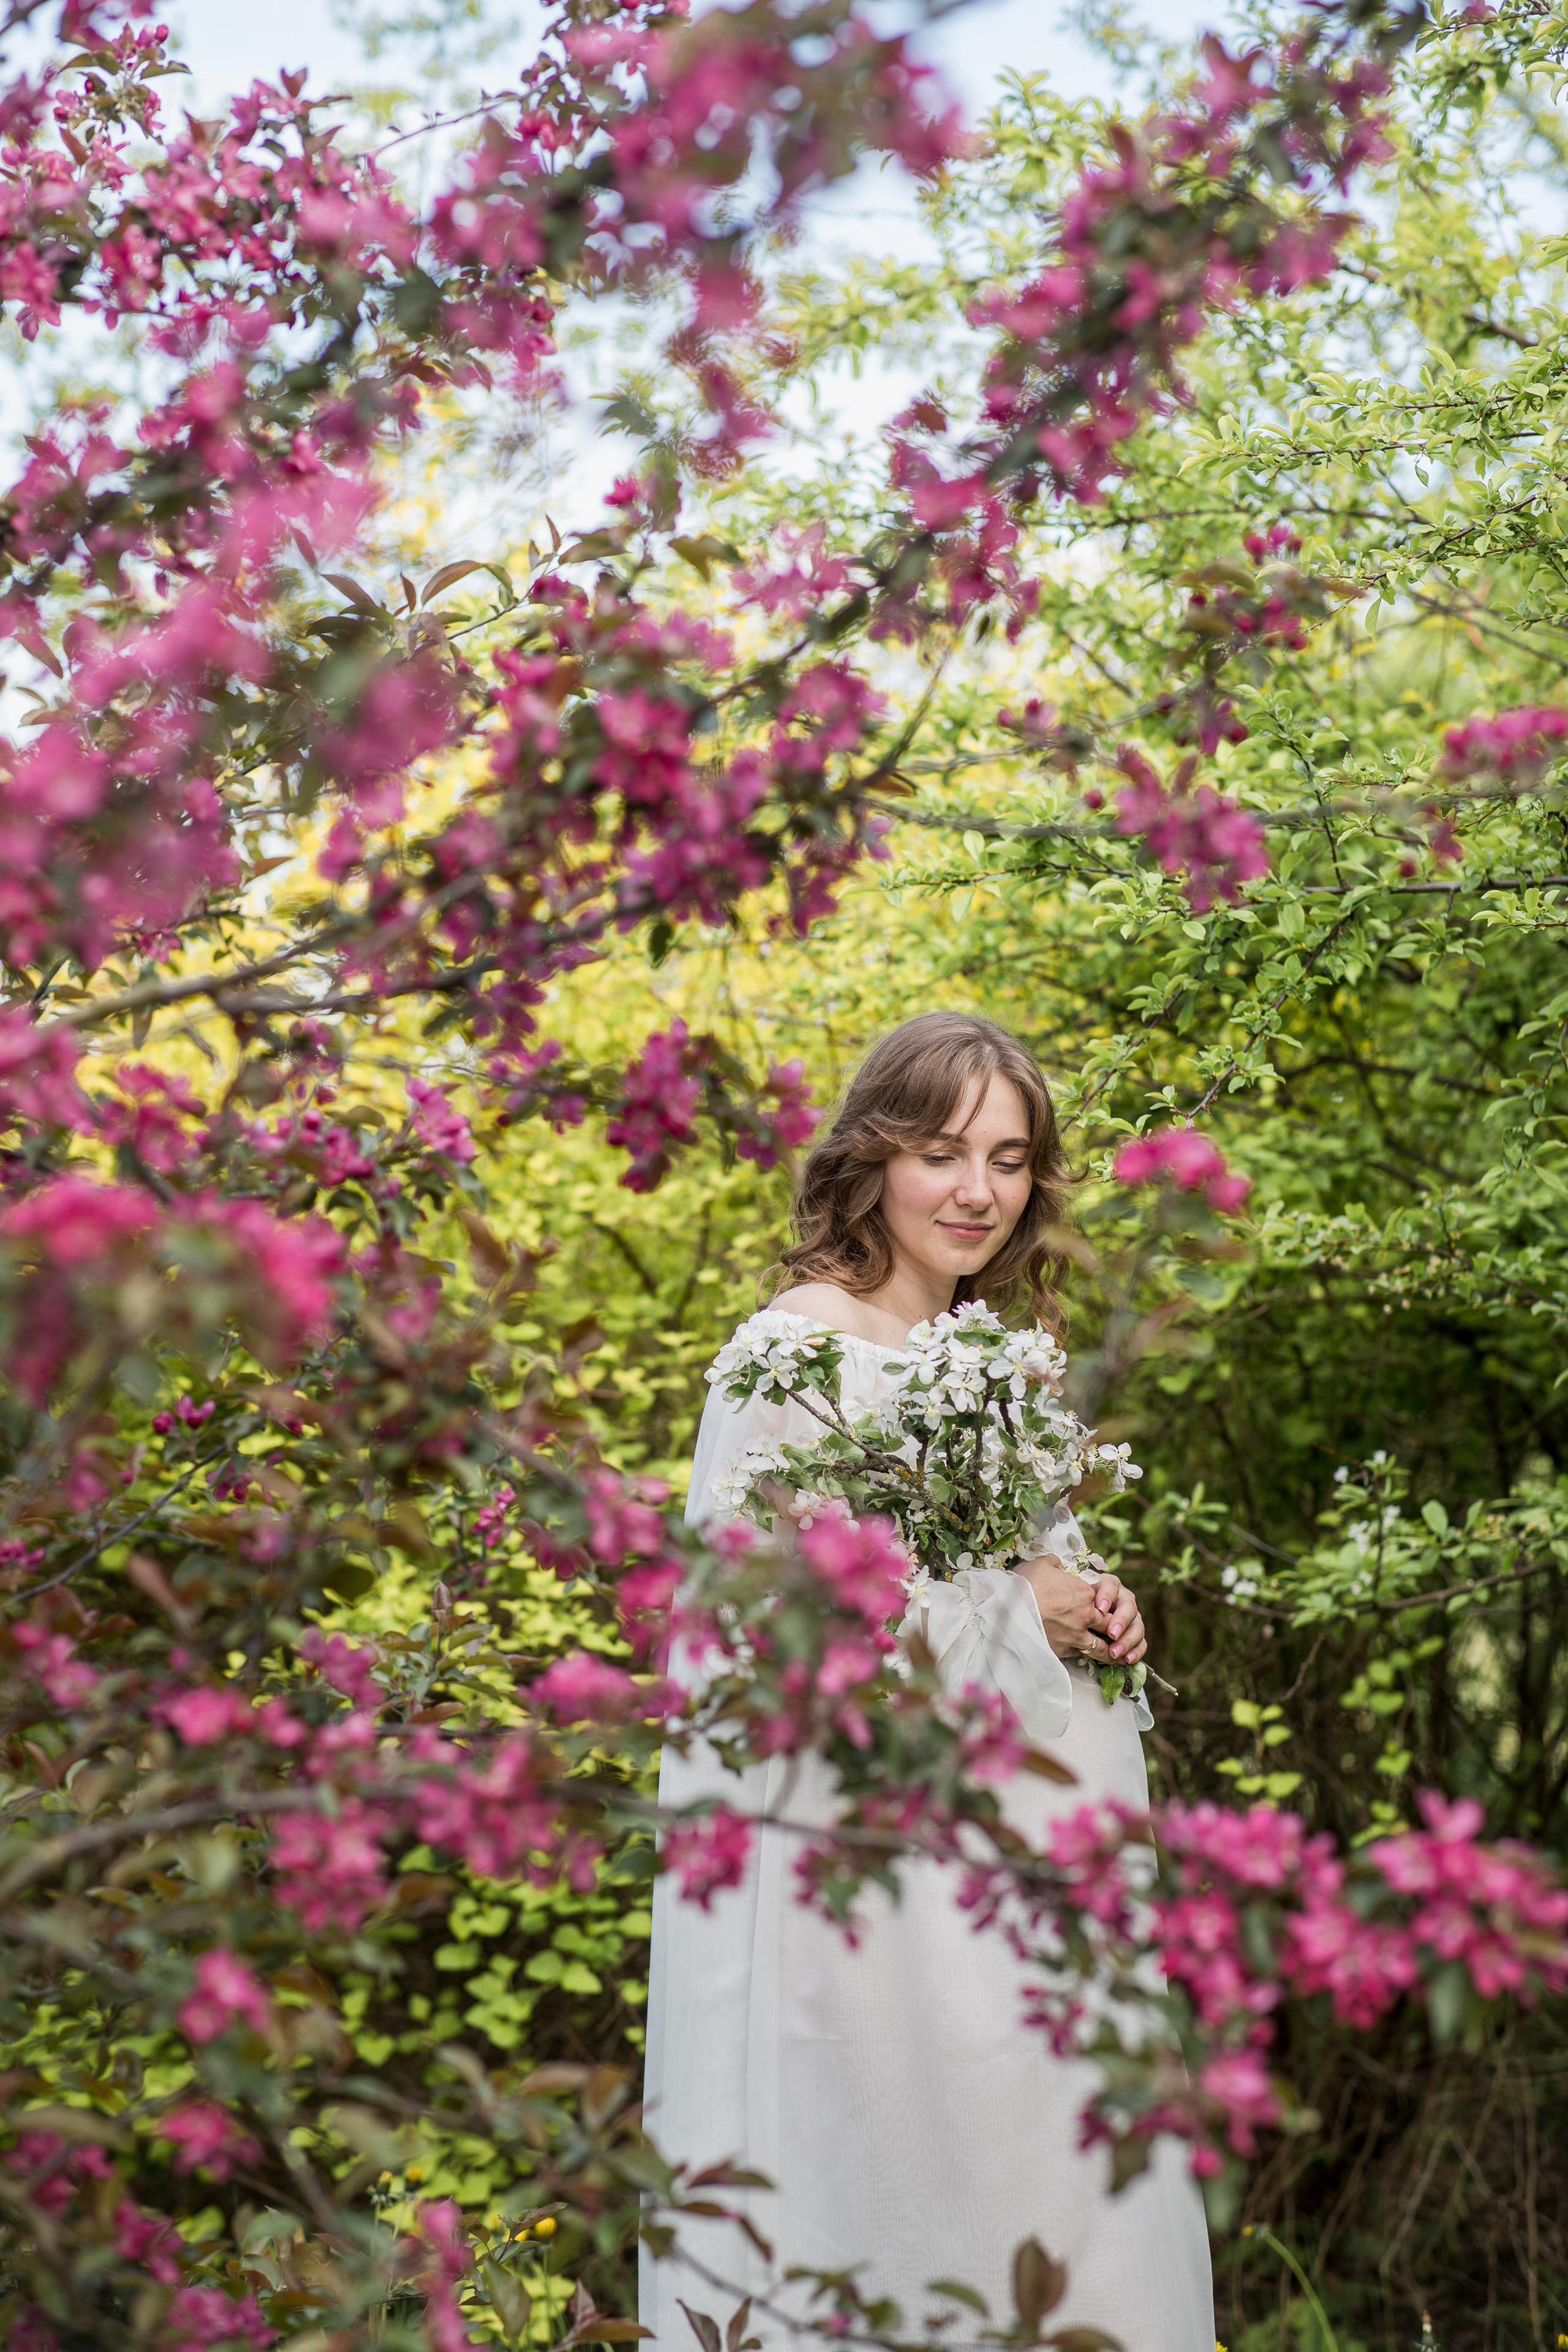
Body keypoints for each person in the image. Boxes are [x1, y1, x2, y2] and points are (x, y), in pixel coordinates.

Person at [639, 1011, 1216, 2351]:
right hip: (882, 1882)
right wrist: (1014, 1612)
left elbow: (1024, 1569)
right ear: (873, 1157)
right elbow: (769, 1634)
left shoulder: (994, 1355)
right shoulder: (793, 1351)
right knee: (908, 2192)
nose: (976, 1192)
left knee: (1057, 2188)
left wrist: (1091, 1604)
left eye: (1008, 1161)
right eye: (942, 1153)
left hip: (1030, 1861)